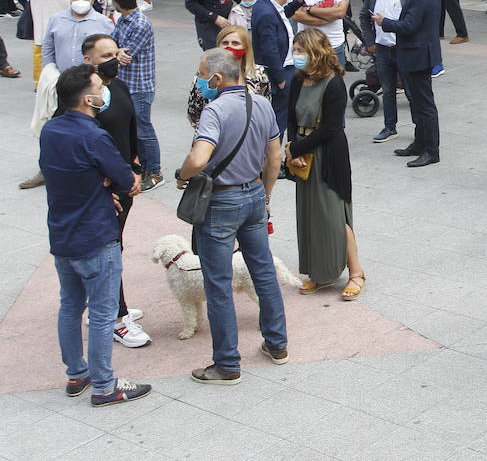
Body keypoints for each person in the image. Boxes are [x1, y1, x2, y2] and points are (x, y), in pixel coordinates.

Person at [175, 48, 288, 384]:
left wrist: (183, 175)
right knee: (263, 271)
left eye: (202, 75)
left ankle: (227, 363)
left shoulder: (214, 110)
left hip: (221, 202)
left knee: (219, 283)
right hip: (254, 195)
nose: (200, 81)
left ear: (217, 78)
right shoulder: (262, 103)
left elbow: (199, 159)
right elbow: (275, 157)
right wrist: (265, 196)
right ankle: (277, 344)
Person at [41, 64, 151, 406]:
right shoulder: (94, 135)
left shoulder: (51, 130)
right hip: (96, 234)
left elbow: (64, 172)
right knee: (103, 314)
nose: (105, 91)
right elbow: (126, 179)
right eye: (99, 87)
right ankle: (105, 384)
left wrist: (101, 181)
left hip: (63, 234)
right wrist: (110, 182)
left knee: (70, 306)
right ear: (88, 98)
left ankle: (77, 373)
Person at [79, 34, 150, 348]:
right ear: (88, 60)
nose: (113, 58)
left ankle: (108, 305)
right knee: (108, 251)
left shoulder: (118, 88)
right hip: (102, 190)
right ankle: (115, 318)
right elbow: (77, 148)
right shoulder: (81, 98)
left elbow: (130, 130)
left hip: (124, 185)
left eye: (115, 51)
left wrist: (135, 167)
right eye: (105, 54)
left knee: (115, 247)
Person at [284, 28, 365, 300]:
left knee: (334, 215)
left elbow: (331, 127)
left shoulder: (333, 83)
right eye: (295, 50)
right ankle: (318, 274)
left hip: (327, 156)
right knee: (310, 216)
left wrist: (297, 147)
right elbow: (291, 118)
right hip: (303, 155)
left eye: (301, 51)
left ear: (316, 53)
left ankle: (356, 273)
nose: (296, 56)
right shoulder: (297, 81)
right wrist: (291, 148)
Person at [374, 0, 442, 167]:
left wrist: (384, 22)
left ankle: (431, 150)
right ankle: (420, 143)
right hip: (421, 53)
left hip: (417, 55)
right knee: (419, 104)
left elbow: (409, 26)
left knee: (424, 105)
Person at [108, 0, 162, 192]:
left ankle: (155, 172)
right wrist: (115, 50)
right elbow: (114, 45)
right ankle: (140, 165)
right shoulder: (123, 20)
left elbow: (125, 55)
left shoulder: (140, 23)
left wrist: (115, 51)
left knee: (143, 130)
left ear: (116, 2)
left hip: (140, 86)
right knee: (133, 128)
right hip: (126, 84)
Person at [187, 24, 272, 126]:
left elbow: (265, 109)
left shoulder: (258, 74)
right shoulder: (205, 73)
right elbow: (193, 112)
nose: (229, 46)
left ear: (245, 48)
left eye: (235, 43)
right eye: (225, 43)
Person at [252, 0, 296, 142]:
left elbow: (283, 13)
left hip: (283, 69)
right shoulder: (266, 13)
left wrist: (298, 1)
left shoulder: (268, 5)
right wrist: (280, 78)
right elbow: (269, 48)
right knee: (279, 117)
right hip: (279, 72)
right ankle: (272, 157)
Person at [44, 0, 116, 72]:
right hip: (61, 77)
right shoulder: (56, 20)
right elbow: (48, 49)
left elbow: (112, 53)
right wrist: (49, 72)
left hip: (92, 78)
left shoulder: (104, 22)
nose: (80, 1)